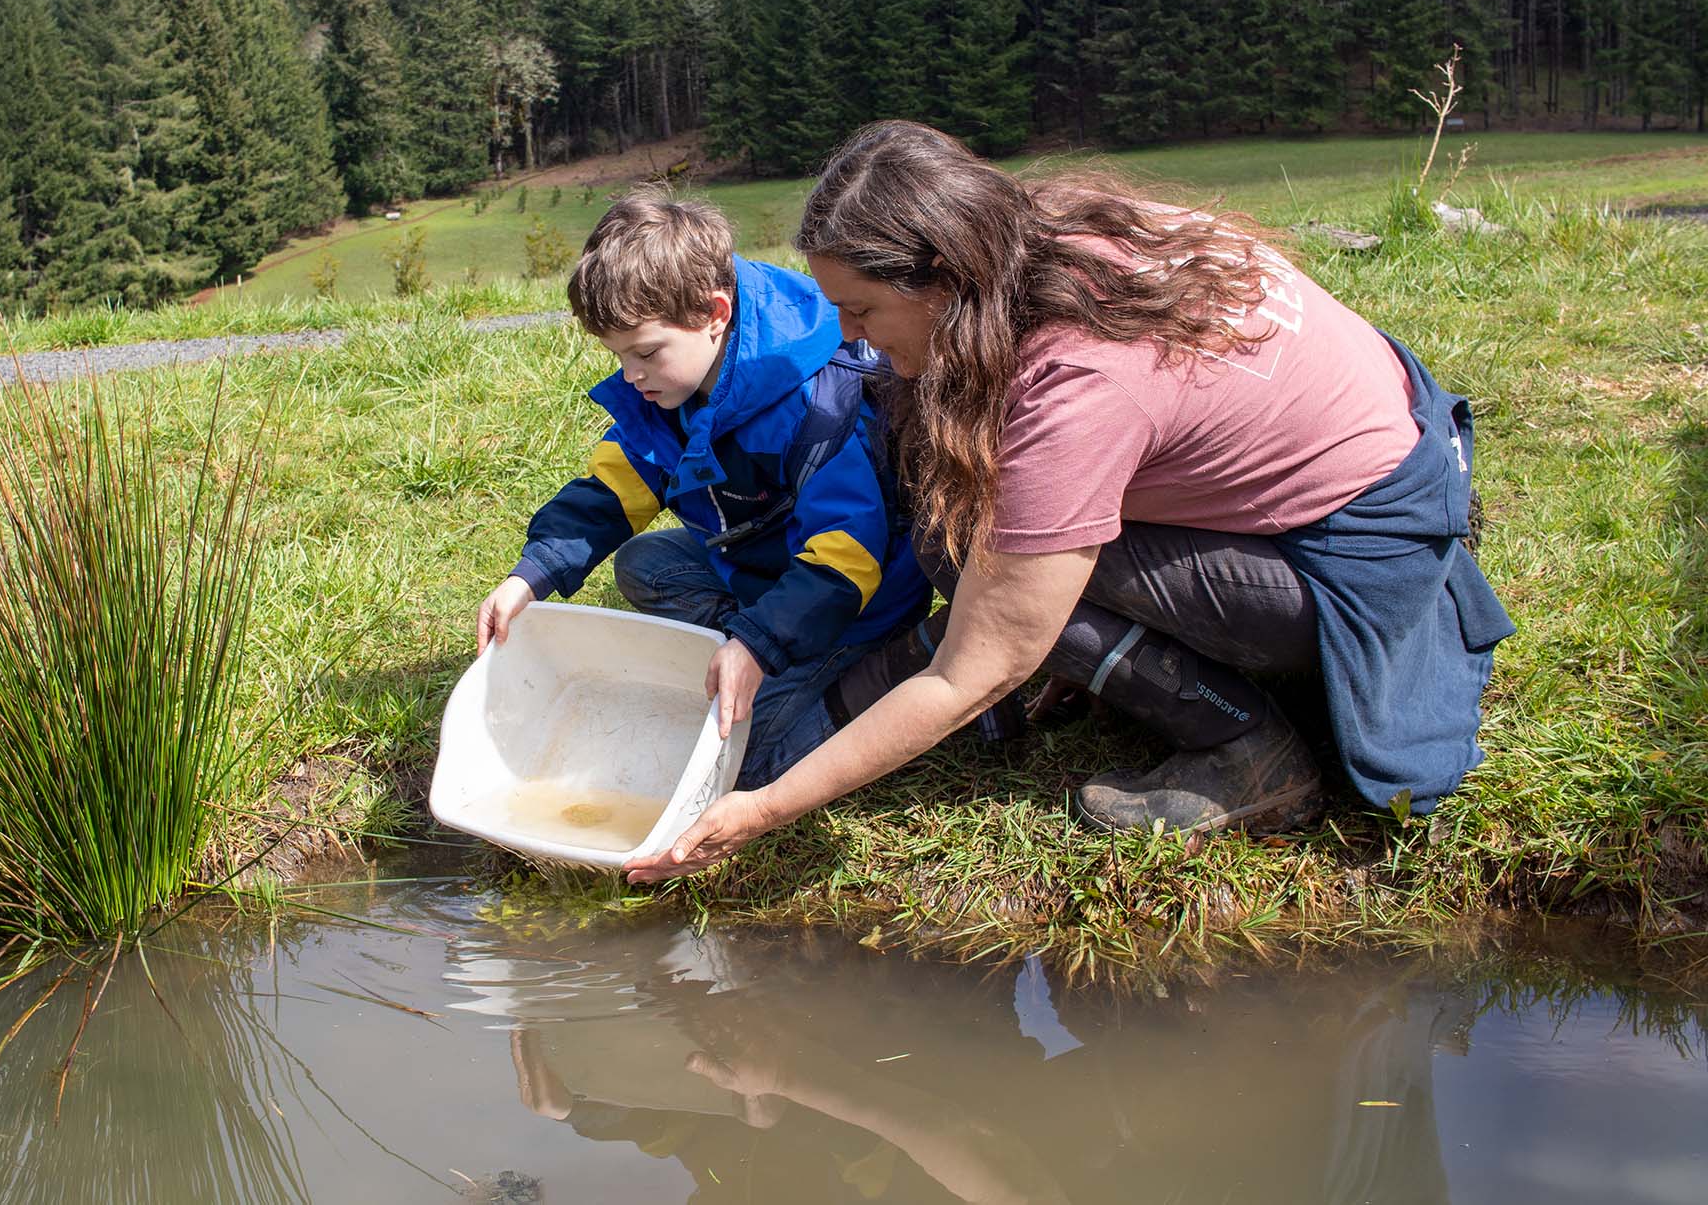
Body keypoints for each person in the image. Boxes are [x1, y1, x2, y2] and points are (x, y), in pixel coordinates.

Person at [622, 121, 1514, 882]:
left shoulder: (1081, 382)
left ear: (942, 280)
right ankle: (1129, 675)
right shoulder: (1048, 231)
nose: (846, 336)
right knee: (954, 524)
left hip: (1352, 556)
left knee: (983, 560)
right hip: (1394, 457)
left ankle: (1252, 749)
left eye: (859, 310)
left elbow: (975, 668)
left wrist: (768, 805)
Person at [475, 188, 929, 788]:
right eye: (618, 357)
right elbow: (616, 486)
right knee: (645, 565)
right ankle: (748, 643)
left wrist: (759, 645)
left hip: (855, 603)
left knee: (747, 761)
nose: (631, 376)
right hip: (760, 566)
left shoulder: (815, 404)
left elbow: (845, 558)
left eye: (645, 353)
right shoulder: (672, 384)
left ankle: (886, 671)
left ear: (715, 314)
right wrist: (530, 575)